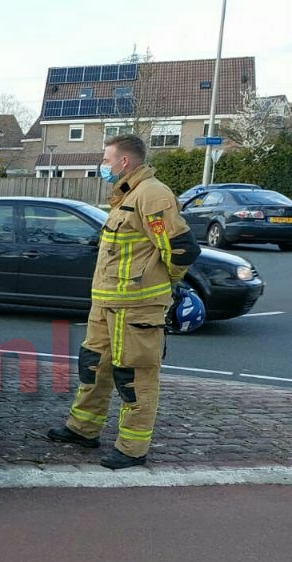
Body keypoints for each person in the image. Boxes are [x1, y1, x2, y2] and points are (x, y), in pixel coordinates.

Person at [46, 134, 200, 469]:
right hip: (107, 303)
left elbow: (182, 249)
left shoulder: (152, 195)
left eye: (106, 159)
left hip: (136, 306)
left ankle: (132, 448)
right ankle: (83, 428)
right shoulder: (126, 195)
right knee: (94, 366)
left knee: (135, 376)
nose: (103, 165)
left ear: (124, 162)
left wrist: (162, 284)